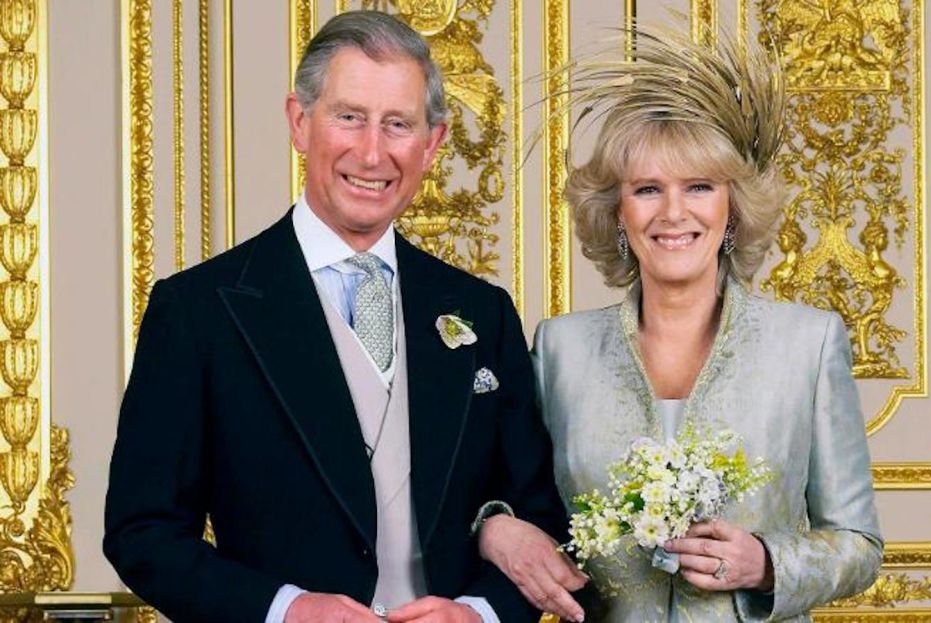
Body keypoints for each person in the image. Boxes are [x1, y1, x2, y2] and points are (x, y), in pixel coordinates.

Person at [103, 11, 580, 623]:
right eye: (349, 117)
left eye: (398, 124)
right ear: (300, 123)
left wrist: (479, 614)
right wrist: (285, 610)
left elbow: (540, 517)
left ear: (432, 144)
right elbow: (142, 533)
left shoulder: (482, 313)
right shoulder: (198, 312)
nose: (373, 150)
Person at [480, 25, 883, 621]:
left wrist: (766, 563)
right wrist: (494, 527)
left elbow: (858, 545)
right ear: (618, 213)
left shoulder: (807, 343)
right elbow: (508, 503)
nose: (674, 213)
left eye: (699, 186)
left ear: (732, 207)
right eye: (647, 189)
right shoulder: (560, 351)